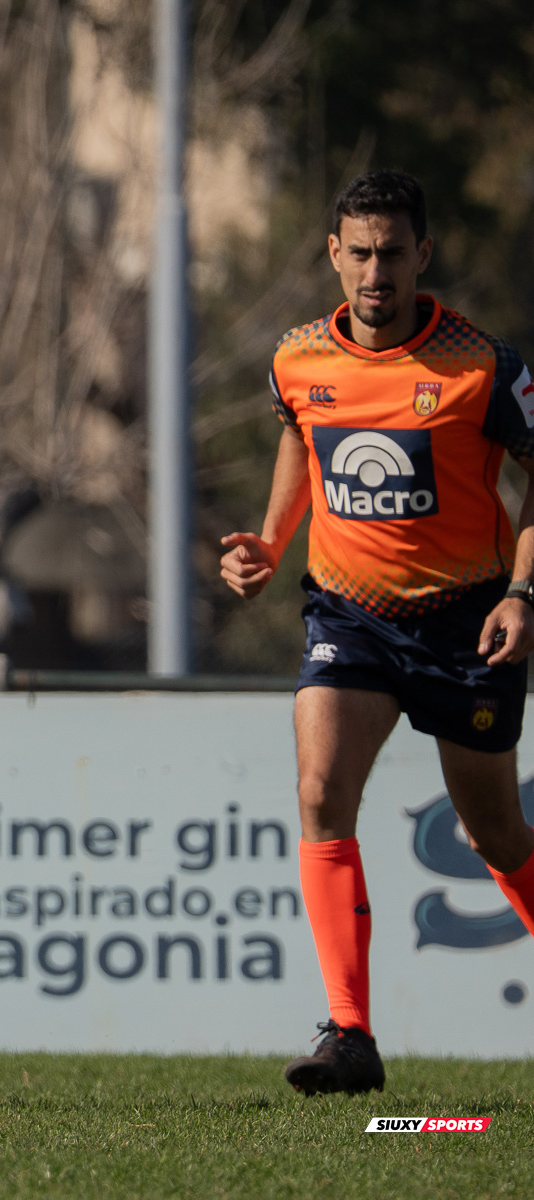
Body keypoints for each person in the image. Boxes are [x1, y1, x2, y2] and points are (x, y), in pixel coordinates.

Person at [219, 169, 534, 1096]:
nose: (375, 272)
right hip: (349, 614)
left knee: (495, 833)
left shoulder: (483, 368)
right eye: (358, 253)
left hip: (467, 619)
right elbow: (297, 439)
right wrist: (271, 543)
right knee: (320, 790)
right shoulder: (299, 360)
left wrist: (524, 591)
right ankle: (349, 1036)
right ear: (334, 254)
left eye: (393, 253)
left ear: (422, 255)